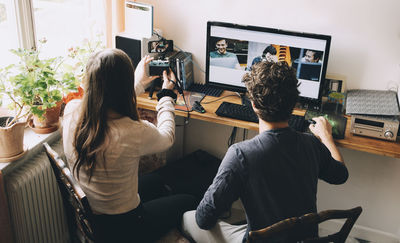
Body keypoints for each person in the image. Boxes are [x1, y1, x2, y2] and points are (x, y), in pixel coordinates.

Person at [181, 61, 348, 243]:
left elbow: (204, 219)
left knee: (188, 219)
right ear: (294, 104)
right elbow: (340, 175)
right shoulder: (311, 144)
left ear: (253, 104)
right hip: (304, 240)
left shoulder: (240, 154)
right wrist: (326, 138)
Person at [62, 48, 197, 243]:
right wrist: (167, 95)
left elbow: (105, 100)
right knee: (189, 200)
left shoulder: (72, 110)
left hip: (93, 215)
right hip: (127, 226)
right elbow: (167, 137)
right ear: (123, 86)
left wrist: (138, 83)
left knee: (157, 181)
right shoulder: (131, 131)